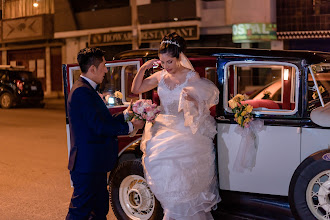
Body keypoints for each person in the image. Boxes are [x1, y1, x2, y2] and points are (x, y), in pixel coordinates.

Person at [131, 32, 221, 220]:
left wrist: (193, 100)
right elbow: (136, 89)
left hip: (185, 131)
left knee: (184, 180)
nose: (166, 66)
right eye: (162, 62)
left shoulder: (191, 76)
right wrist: (144, 67)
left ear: (179, 57)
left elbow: (205, 103)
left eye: (169, 62)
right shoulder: (160, 76)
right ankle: (171, 212)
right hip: (162, 129)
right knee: (162, 171)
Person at [66, 47, 144, 220]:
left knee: (99, 210)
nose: (106, 70)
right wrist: (131, 127)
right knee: (79, 213)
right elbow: (100, 127)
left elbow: (103, 120)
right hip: (87, 165)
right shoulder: (81, 92)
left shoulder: (88, 89)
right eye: (103, 65)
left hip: (95, 164)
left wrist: (125, 115)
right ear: (92, 69)